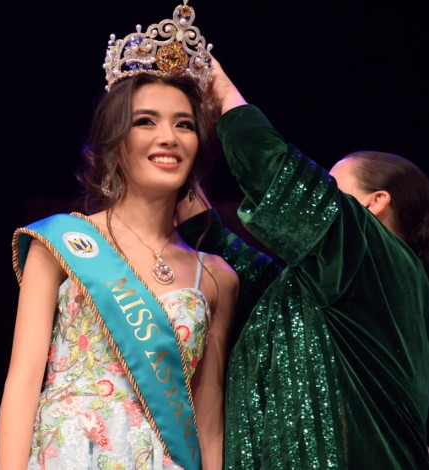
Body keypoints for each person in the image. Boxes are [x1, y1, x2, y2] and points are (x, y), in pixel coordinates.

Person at [0, 3, 238, 469]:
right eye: (146, 121)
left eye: (184, 124)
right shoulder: (64, 242)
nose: (169, 137)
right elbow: (23, 382)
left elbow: (207, 422)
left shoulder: (216, 277)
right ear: (116, 138)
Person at [174, 55, 429, 468]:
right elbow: (247, 273)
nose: (319, 189)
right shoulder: (328, 286)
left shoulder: (380, 260)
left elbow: (278, 177)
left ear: (375, 202)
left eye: (331, 185)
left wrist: (222, 94)